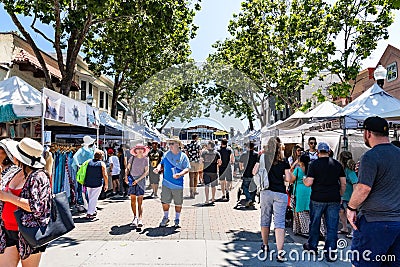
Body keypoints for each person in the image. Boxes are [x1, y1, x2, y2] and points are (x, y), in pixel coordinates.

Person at [347, 116, 400, 267]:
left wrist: (351, 208)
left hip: (374, 222)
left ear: (367, 133)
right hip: (397, 222)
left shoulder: (370, 156)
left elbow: (364, 188)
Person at [0, 138, 51, 266]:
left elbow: (38, 207)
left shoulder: (39, 177)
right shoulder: (14, 172)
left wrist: (9, 197)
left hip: (28, 234)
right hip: (7, 231)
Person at [303, 142, 346, 261]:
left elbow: (309, 182)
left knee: (315, 223)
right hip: (333, 199)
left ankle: (312, 246)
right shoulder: (337, 164)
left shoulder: (314, 164)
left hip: (317, 198)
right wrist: (340, 195)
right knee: (332, 226)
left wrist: (304, 179)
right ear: (329, 152)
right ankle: (331, 252)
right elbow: (343, 183)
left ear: (317, 152)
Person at [256, 137, 291, 262]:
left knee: (265, 219)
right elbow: (288, 179)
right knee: (279, 223)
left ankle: (265, 245)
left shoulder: (263, 158)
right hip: (280, 193)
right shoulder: (284, 160)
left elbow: (254, 171)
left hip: (266, 191)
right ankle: (280, 252)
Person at [154, 137, 190, 228]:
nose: (170, 145)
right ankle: (166, 217)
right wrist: (158, 168)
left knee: (178, 203)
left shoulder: (183, 156)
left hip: (178, 184)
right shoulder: (166, 155)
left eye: (172, 143)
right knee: (165, 202)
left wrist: (180, 174)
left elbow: (187, 168)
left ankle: (177, 219)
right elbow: (161, 163)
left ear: (178, 144)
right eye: (169, 144)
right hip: (166, 183)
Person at [125, 144, 149, 228]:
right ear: (135, 150)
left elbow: (146, 172)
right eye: (138, 149)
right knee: (132, 200)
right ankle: (135, 217)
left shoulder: (145, 159)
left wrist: (138, 180)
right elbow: (127, 168)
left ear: (143, 150)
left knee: (140, 201)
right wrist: (126, 177)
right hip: (132, 180)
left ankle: (140, 218)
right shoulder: (132, 158)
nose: (139, 150)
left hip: (141, 181)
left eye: (141, 149)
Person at [289, 154, 311, 237]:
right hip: (309, 189)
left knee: (299, 210)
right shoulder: (310, 169)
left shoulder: (298, 169)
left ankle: (303, 230)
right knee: (308, 210)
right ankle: (309, 228)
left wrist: (294, 164)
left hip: (299, 190)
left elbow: (291, 180)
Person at [337, 151, 358, 239]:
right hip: (343, 196)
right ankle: (345, 228)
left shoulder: (349, 171)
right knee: (341, 212)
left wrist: (354, 197)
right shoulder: (343, 170)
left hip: (348, 197)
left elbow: (355, 183)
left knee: (350, 214)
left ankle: (354, 231)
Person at [72, 135, 96, 210]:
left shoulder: (84, 149)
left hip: (83, 170)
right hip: (89, 170)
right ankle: (86, 203)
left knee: (82, 187)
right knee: (87, 187)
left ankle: (83, 203)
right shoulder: (90, 150)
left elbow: (74, 157)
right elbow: (74, 157)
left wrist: (78, 165)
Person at [84, 150, 108, 219]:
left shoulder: (88, 162)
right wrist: (106, 184)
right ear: (101, 157)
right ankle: (89, 213)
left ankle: (93, 210)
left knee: (90, 198)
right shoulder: (102, 163)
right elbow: (105, 175)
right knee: (93, 198)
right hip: (97, 183)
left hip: (88, 182)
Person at [239, 142, 259, 207]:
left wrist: (241, 170)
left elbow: (241, 165)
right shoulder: (257, 155)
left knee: (245, 187)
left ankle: (249, 198)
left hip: (246, 173)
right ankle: (252, 199)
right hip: (254, 174)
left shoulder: (244, 154)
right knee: (253, 187)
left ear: (247, 147)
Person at [185, 134, 202, 199]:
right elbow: (200, 154)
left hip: (190, 162)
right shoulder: (198, 145)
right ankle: (195, 190)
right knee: (196, 177)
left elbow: (187, 154)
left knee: (191, 177)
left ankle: (191, 192)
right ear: (196, 138)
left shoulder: (188, 145)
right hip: (197, 162)